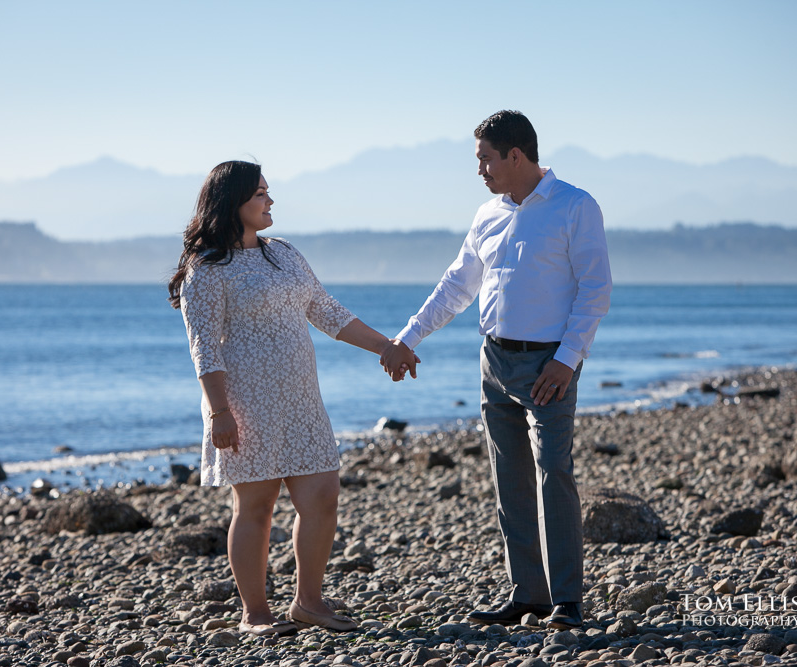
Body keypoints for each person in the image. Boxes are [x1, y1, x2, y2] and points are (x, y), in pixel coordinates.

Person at [381, 111, 612, 630]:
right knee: (509, 479)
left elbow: (595, 289)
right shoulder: (487, 214)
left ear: (516, 154)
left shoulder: (575, 205)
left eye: (485, 157)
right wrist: (408, 338)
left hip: (549, 363)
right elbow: (457, 285)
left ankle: (567, 600)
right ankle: (526, 594)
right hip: (494, 360)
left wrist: (566, 359)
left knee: (554, 474)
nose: (479, 169)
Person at [169, 160, 402, 636]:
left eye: (267, 191)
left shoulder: (285, 254)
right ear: (231, 202)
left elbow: (327, 311)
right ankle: (255, 614)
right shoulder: (208, 269)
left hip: (300, 401)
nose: (269, 200)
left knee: (323, 498)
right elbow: (204, 347)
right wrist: (219, 412)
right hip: (243, 403)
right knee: (255, 507)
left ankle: (309, 602)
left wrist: (386, 346)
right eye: (259, 193)